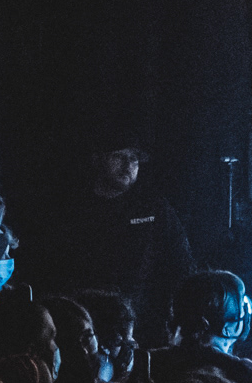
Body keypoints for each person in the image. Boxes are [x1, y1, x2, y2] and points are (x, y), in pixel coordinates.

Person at [34, 139, 196, 339]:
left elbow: (181, 262)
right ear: (97, 159)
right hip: (82, 324)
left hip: (143, 326)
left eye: (134, 158)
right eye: (119, 156)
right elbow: (50, 266)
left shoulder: (153, 207)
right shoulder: (72, 209)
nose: (128, 165)